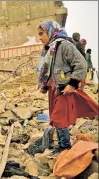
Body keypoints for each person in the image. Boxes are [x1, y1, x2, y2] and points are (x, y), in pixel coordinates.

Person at [38, 21, 98, 157]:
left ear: (50, 31)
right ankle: (61, 145)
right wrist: (45, 85)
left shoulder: (64, 45)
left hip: (64, 88)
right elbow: (50, 70)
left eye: (41, 34)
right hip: (55, 89)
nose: (40, 38)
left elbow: (81, 64)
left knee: (59, 118)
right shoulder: (51, 49)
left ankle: (65, 147)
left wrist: (72, 84)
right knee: (56, 117)